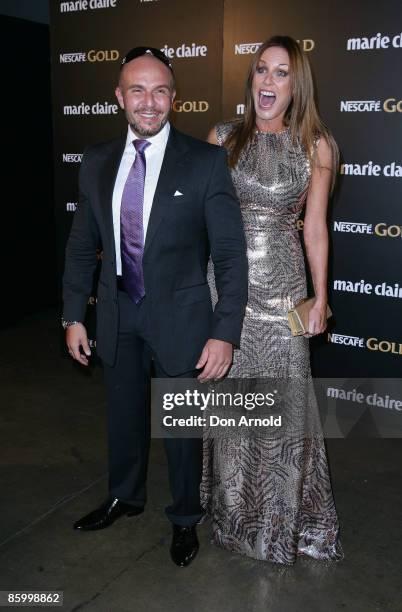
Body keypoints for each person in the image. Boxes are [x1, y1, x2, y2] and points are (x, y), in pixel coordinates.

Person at [62, 47, 248, 567]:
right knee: (122, 415)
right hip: (118, 312)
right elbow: (81, 245)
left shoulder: (207, 161)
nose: (149, 102)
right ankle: (125, 496)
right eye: (138, 90)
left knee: (182, 428)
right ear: (120, 97)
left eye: (160, 90)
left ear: (174, 98)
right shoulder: (97, 161)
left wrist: (225, 331)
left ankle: (186, 515)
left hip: (183, 317)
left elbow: (231, 256)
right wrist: (74, 314)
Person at [201, 35, 343, 564]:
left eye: (281, 73)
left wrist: (319, 299)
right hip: (228, 290)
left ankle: (281, 523)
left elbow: (316, 231)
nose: (268, 81)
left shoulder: (316, 146)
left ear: (295, 84)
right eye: (262, 70)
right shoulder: (222, 137)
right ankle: (234, 519)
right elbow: (202, 222)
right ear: (252, 78)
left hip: (284, 292)